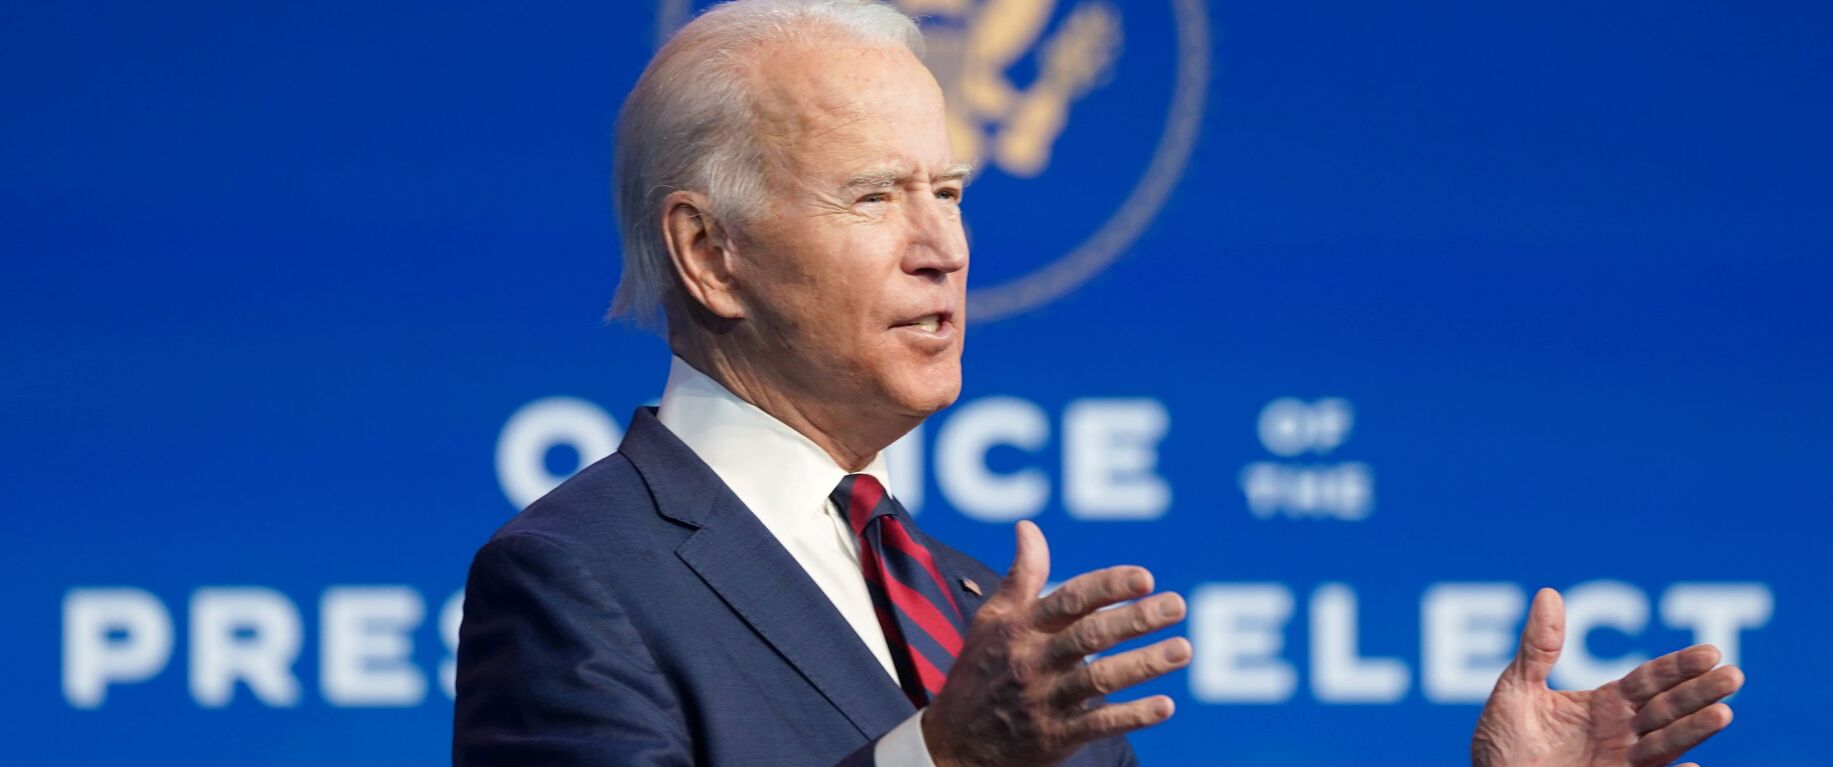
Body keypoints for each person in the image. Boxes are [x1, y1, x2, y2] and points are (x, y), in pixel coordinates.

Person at [452, 2, 1746, 765]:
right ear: (708, 251)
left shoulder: (981, 610)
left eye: (949, 192)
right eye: (875, 196)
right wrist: (938, 759)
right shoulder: (577, 577)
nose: (941, 243)